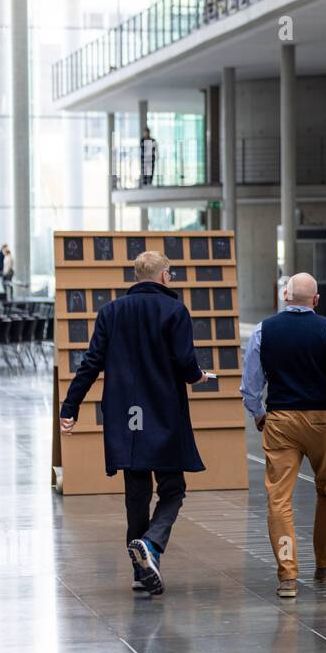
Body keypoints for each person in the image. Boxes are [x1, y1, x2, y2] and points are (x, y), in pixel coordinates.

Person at [58, 251, 210, 594]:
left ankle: (141, 573)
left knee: (136, 493)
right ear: (165, 276)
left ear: (135, 275)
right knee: (173, 489)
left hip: (125, 414)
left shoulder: (111, 312)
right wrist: (196, 375)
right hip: (163, 412)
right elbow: (186, 361)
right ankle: (152, 545)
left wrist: (70, 406)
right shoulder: (175, 310)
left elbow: (91, 362)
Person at [242, 271, 326, 598]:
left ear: (284, 297)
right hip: (323, 422)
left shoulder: (265, 329)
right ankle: (325, 563)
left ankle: (287, 575)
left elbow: (250, 383)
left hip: (280, 421)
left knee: (279, 499)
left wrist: (258, 413)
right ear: (316, 301)